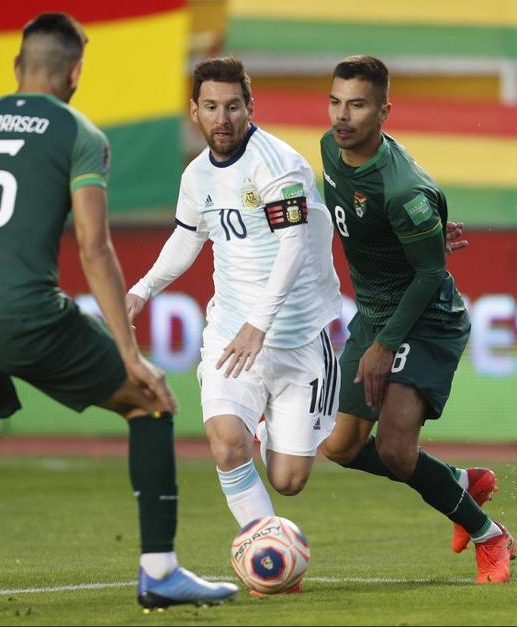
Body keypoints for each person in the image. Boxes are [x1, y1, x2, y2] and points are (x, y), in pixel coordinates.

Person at [0, 13, 237, 619]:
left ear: (17, 66)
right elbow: (93, 247)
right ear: (75, 73)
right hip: (26, 313)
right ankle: (160, 571)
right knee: (150, 400)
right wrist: (131, 355)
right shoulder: (79, 134)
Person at [125, 58, 343, 558]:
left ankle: (266, 426)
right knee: (225, 442)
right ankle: (268, 554)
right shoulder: (196, 175)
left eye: (232, 107)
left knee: (288, 480)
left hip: (296, 336)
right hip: (230, 331)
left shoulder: (279, 165)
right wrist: (142, 289)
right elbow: (187, 237)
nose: (221, 118)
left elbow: (293, 247)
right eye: (210, 107)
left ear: (249, 108)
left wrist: (259, 324)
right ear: (194, 112)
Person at [315, 55, 517, 584]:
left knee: (395, 449)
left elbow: (429, 275)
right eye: (336, 102)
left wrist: (385, 345)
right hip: (374, 314)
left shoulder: (404, 189)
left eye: (358, 105)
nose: (342, 116)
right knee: (339, 447)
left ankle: (489, 535)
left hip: (426, 318)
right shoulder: (330, 149)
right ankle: (457, 481)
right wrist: (413, 240)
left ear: (384, 112)